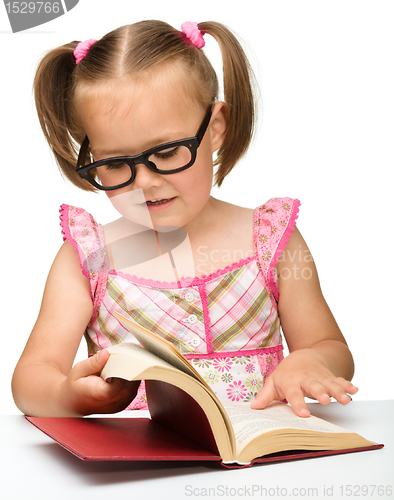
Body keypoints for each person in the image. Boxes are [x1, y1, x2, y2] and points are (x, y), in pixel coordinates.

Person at [11, 20, 358, 418]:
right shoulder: (87, 259)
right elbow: (30, 379)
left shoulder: (272, 241)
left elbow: (333, 348)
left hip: (260, 459)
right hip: (138, 471)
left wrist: (311, 362)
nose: (143, 182)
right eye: (115, 163)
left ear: (215, 128)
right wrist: (63, 395)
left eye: (167, 152)